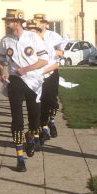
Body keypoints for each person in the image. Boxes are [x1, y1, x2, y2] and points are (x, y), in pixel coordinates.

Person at [0, 9, 48, 172]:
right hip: (15, 81)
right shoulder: (5, 41)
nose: (6, 23)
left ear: (17, 23)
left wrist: (26, 69)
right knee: (17, 119)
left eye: (8, 21)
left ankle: (31, 137)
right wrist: (2, 73)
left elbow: (43, 61)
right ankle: (20, 157)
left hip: (33, 80)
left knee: (35, 118)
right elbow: (0, 60)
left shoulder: (33, 37)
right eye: (6, 21)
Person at [33, 13, 66, 142]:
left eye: (42, 22)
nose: (39, 24)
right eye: (37, 22)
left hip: (51, 72)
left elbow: (62, 53)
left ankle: (50, 121)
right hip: (36, 74)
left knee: (52, 101)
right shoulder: (32, 36)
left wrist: (49, 50)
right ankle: (43, 127)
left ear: (46, 24)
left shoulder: (53, 36)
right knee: (39, 102)